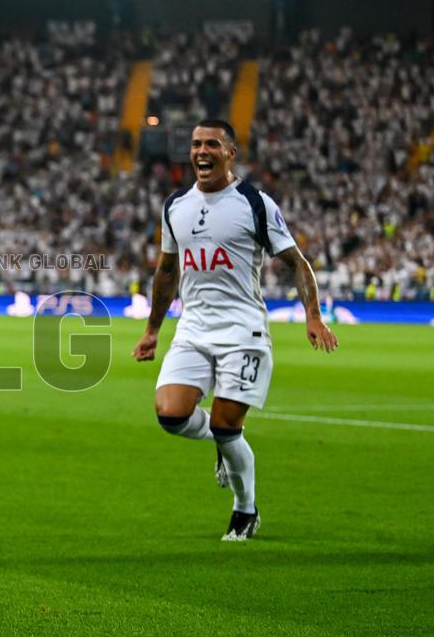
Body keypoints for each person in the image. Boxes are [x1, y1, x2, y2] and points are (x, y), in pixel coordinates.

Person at [132, 119, 337, 541]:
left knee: (228, 428)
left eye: (211, 144)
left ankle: (245, 510)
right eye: (195, 144)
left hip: (243, 330)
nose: (201, 152)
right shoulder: (175, 206)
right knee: (170, 414)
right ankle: (223, 446)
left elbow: (296, 261)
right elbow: (167, 270)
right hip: (192, 328)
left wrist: (312, 315)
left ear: (230, 153)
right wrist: (153, 329)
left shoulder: (254, 203)